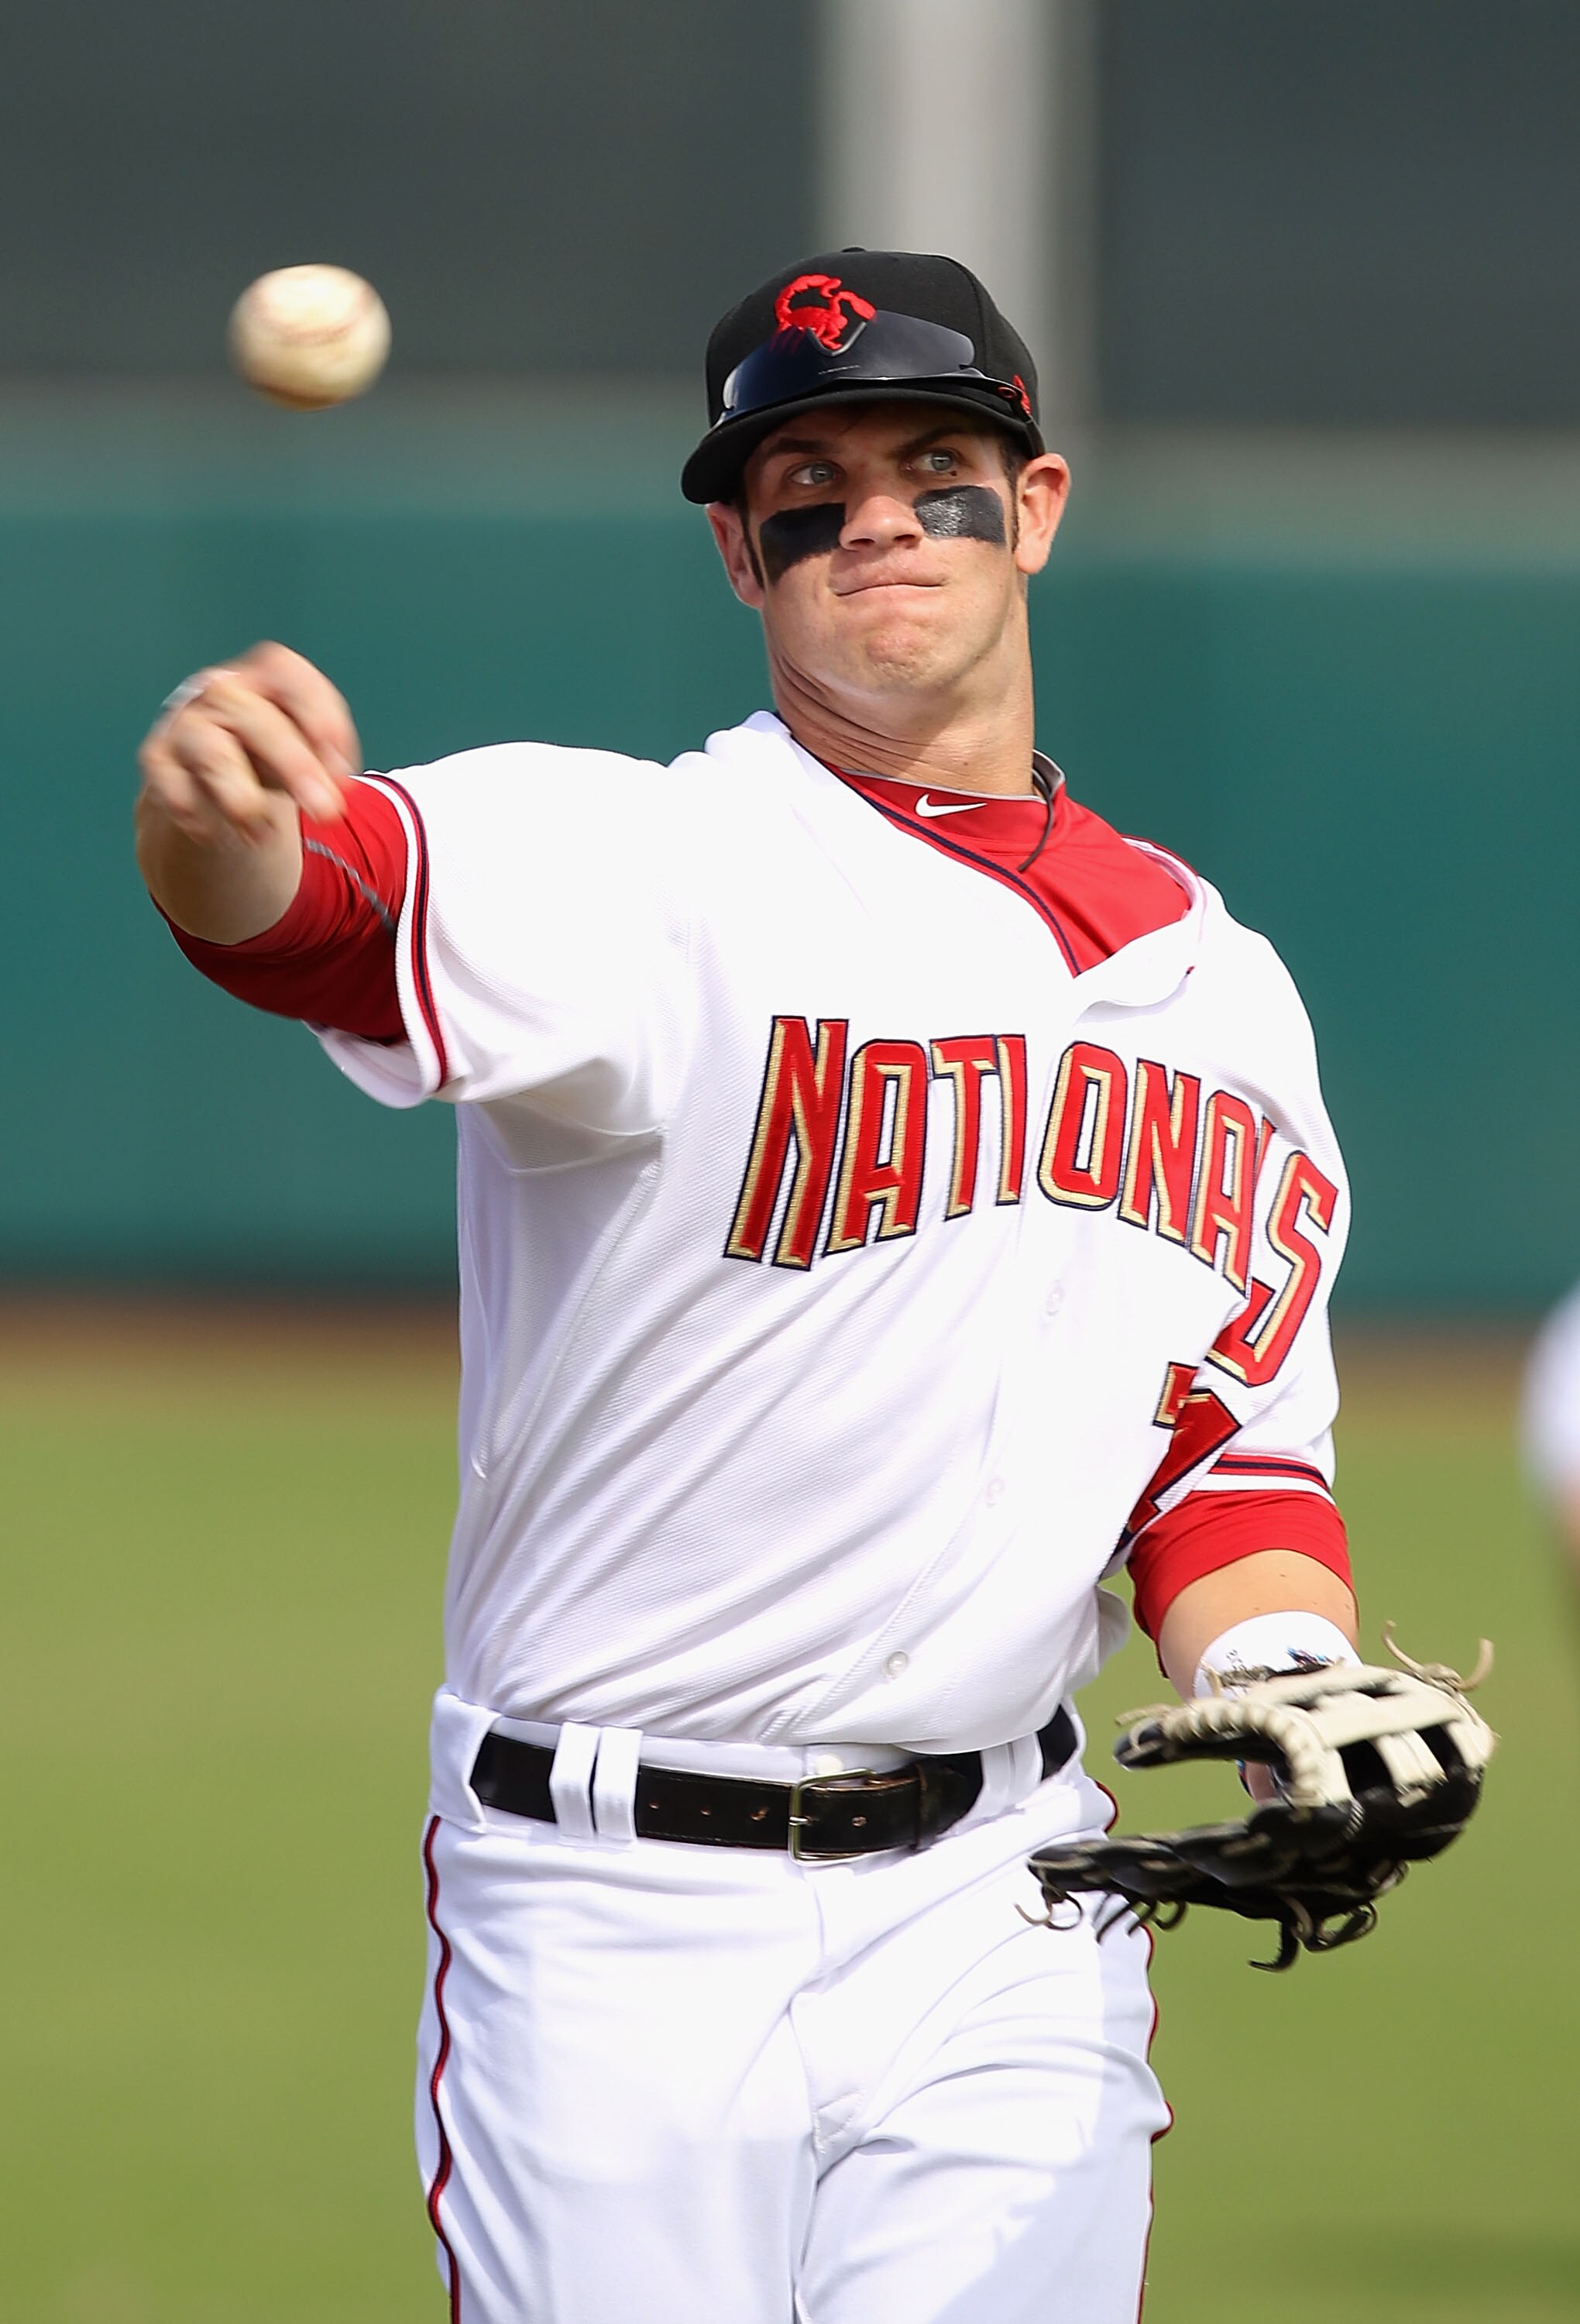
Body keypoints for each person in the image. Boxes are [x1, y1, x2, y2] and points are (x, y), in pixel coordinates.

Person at [135, 249, 1361, 2324]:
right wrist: (212, 827)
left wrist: (1284, 1682)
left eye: (932, 462)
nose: (875, 514)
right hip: (613, 1914)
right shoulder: (643, 867)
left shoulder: (1223, 994)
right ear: (739, 550)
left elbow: (1219, 1466)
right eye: (809, 480)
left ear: (1035, 505)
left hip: (1008, 1909)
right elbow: (315, 909)